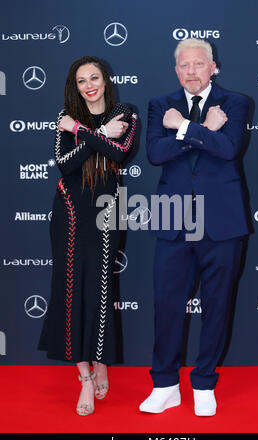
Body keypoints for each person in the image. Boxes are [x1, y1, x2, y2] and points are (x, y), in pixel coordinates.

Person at [139, 38, 250, 416]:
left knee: (217, 305)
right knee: (166, 305)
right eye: (184, 66)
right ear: (176, 70)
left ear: (213, 67)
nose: (191, 72)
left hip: (222, 219)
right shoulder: (159, 105)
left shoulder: (235, 103)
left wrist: (184, 127)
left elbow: (228, 148)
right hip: (173, 218)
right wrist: (203, 129)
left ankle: (204, 383)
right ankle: (165, 384)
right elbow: (155, 154)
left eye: (198, 64)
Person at [38, 56, 137, 416]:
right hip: (68, 212)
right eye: (81, 81)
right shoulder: (64, 117)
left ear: (106, 80)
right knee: (69, 292)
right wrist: (96, 135)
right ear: (75, 86)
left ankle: (102, 362)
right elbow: (66, 166)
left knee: (100, 292)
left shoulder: (124, 112)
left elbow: (120, 152)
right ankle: (83, 377)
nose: (89, 85)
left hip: (107, 213)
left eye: (94, 77)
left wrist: (82, 132)